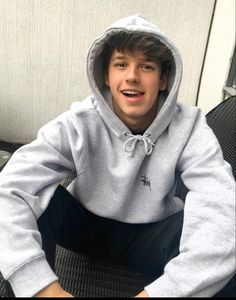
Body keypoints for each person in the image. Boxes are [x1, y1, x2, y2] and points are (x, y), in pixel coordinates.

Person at [0, 14, 235, 298]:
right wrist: (40, 287)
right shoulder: (79, 121)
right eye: (121, 64)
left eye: (146, 66)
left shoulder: (189, 126)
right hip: (84, 230)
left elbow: (221, 206)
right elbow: (10, 187)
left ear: (163, 80)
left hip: (153, 239)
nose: (132, 76)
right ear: (107, 77)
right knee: (35, 196)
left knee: (221, 231)